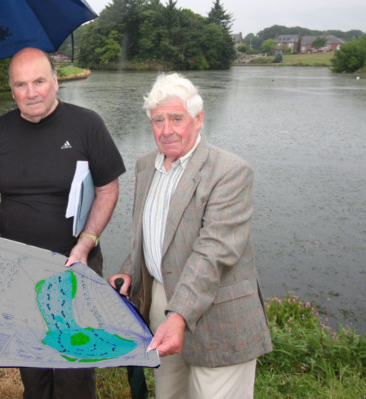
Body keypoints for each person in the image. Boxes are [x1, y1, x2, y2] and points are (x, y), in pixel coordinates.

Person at [0, 47, 126, 399]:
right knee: (33, 366)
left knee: (73, 370)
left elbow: (107, 187)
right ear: (11, 90)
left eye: (39, 81)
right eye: (21, 84)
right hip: (20, 271)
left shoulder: (87, 124)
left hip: (75, 265)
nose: (31, 92)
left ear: (56, 81)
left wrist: (86, 241)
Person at [109, 73, 273, 399]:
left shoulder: (230, 171)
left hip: (220, 311)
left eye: (176, 118)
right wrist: (130, 267)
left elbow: (214, 252)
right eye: (158, 120)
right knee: (169, 393)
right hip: (161, 301)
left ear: (198, 120)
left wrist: (179, 314)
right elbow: (148, 233)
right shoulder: (145, 167)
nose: (166, 130)